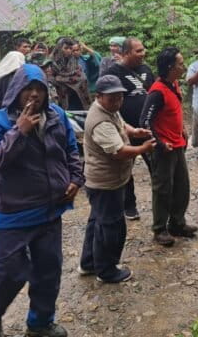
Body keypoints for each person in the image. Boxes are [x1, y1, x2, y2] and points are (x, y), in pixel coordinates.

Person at [0, 64, 83, 337]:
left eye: (39, 89)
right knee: (8, 271)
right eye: (28, 89)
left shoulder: (57, 116)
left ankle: (40, 323)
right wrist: (18, 132)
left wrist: (75, 178)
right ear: (17, 91)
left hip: (50, 210)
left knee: (49, 270)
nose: (34, 95)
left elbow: (71, 149)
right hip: (13, 212)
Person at [79, 75, 155, 282]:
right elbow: (118, 151)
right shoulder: (99, 121)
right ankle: (106, 270)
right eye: (112, 98)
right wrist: (143, 148)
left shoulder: (109, 109)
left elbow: (121, 124)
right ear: (99, 96)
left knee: (98, 222)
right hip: (105, 183)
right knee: (110, 226)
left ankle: (89, 263)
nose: (117, 102)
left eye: (120, 97)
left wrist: (135, 131)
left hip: (106, 181)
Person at [140, 47, 198, 246]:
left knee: (182, 186)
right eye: (180, 63)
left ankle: (177, 223)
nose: (184, 66)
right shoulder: (157, 91)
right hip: (164, 149)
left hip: (178, 145)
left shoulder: (173, 84)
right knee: (163, 189)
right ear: (170, 67)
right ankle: (159, 229)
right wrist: (159, 143)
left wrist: (181, 127)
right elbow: (145, 121)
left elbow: (174, 111)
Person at [105, 37, 155, 220]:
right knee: (125, 170)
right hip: (124, 130)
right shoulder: (113, 73)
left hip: (148, 130)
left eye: (143, 50)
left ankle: (161, 206)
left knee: (156, 167)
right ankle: (129, 205)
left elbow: (155, 93)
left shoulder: (146, 70)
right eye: (138, 51)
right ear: (125, 53)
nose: (143, 54)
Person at [51, 38, 91, 111]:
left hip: (78, 98)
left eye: (70, 48)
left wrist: (60, 79)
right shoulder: (52, 64)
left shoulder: (74, 62)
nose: (69, 51)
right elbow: (52, 79)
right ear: (59, 48)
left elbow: (82, 78)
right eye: (66, 48)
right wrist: (58, 80)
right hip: (61, 100)